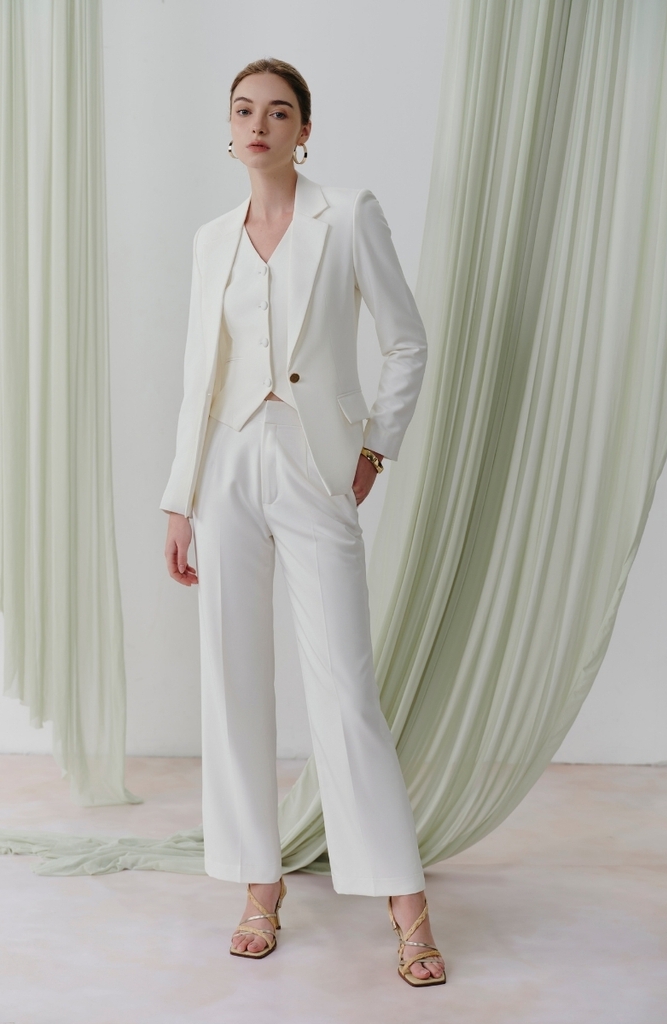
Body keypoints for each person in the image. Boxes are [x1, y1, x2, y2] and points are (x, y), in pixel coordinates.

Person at [160, 57, 446, 987]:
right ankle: (259, 886)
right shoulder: (211, 240)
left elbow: (407, 340)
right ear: (228, 127)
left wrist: (374, 449)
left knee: (345, 690)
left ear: (305, 131)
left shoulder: (348, 214)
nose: (259, 125)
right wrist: (179, 497)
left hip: (316, 466)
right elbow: (198, 375)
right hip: (227, 467)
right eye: (244, 110)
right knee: (233, 681)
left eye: (279, 112)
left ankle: (406, 905)